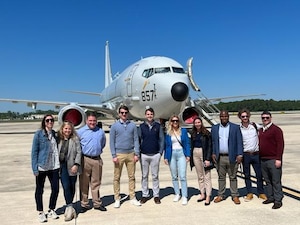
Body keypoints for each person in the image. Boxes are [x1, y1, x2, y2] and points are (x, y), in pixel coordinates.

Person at [110, 105, 141, 208]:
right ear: (119, 114)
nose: (124, 114)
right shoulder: (114, 126)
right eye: (122, 113)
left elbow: (136, 139)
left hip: (131, 153)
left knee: (132, 177)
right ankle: (117, 198)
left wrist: (137, 154)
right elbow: (111, 142)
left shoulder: (132, 125)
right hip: (119, 154)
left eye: (125, 113)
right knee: (116, 177)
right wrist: (114, 155)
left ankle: (132, 197)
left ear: (128, 113)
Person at [31, 115, 60, 223]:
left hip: (54, 166)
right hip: (42, 166)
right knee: (39, 190)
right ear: (44, 122)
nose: (50, 122)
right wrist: (34, 168)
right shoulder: (38, 134)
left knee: (56, 189)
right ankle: (40, 212)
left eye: (52, 120)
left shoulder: (54, 134)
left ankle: (51, 209)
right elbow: (34, 152)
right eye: (47, 120)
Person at [211, 110, 243, 205]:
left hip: (232, 156)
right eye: (222, 116)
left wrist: (240, 154)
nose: (224, 118)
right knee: (221, 177)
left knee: (233, 177)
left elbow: (239, 142)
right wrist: (213, 153)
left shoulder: (235, 127)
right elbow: (213, 142)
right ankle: (221, 194)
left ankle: (235, 195)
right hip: (220, 157)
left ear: (228, 117)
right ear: (219, 117)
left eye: (225, 116)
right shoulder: (215, 128)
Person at [77, 111, 107, 212]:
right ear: (86, 121)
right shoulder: (81, 132)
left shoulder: (100, 131)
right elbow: (78, 145)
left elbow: (103, 143)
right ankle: (84, 204)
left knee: (96, 183)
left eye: (94, 121)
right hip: (85, 159)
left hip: (97, 159)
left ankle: (97, 203)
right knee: (84, 183)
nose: (92, 123)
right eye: (90, 121)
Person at [238, 109, 267, 202]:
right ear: (240, 117)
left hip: (256, 154)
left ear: (249, 116)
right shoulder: (239, 128)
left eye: (246, 116)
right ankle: (249, 192)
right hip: (245, 155)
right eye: (243, 116)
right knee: (247, 175)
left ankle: (261, 192)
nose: (245, 118)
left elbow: (265, 130)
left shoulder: (254, 126)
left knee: (259, 174)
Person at [258, 111, 284, 209]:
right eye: (263, 118)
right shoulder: (261, 130)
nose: (265, 119)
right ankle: (271, 197)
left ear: (271, 118)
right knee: (267, 180)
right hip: (263, 159)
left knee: (276, 180)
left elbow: (280, 145)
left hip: (273, 159)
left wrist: (278, 159)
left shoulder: (276, 130)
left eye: (267, 118)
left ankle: (278, 200)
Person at [139, 108, 164, 204]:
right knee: (144, 176)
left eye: (151, 114)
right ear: (145, 115)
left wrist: (160, 152)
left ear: (153, 115)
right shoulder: (141, 126)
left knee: (155, 176)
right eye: (148, 114)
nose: (149, 116)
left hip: (155, 154)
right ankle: (145, 194)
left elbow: (161, 139)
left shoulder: (158, 126)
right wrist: (139, 152)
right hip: (144, 154)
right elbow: (139, 139)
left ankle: (156, 195)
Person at [57, 121, 81, 221]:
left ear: (72, 130)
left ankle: (69, 206)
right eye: (65, 128)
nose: (67, 130)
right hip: (62, 166)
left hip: (72, 166)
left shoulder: (75, 139)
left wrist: (76, 164)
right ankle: (69, 206)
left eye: (69, 129)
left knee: (72, 186)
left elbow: (79, 152)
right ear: (62, 129)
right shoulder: (58, 139)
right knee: (66, 186)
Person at [164, 115, 190, 205]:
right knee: (174, 176)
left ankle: (184, 196)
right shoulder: (168, 132)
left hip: (181, 154)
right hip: (172, 154)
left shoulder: (183, 131)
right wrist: (166, 157)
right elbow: (166, 145)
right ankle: (177, 193)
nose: (175, 122)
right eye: (173, 121)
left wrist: (188, 155)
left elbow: (187, 143)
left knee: (182, 176)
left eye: (176, 121)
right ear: (171, 122)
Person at [190, 117, 213, 206]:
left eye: (199, 122)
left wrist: (208, 159)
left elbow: (210, 146)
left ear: (201, 123)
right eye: (196, 123)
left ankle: (208, 196)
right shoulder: (193, 133)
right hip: (195, 153)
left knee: (207, 175)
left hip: (204, 153)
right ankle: (202, 193)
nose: (197, 124)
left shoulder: (206, 133)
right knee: (200, 176)